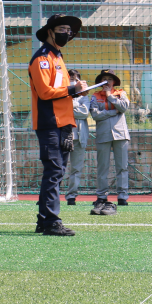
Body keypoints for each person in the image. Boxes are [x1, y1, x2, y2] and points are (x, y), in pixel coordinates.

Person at [28, 14, 84, 236]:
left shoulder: (57, 57)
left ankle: (44, 220)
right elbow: (44, 93)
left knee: (57, 172)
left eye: (69, 30)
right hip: (49, 123)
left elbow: (59, 92)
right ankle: (51, 221)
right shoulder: (42, 58)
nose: (67, 33)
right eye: (62, 29)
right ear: (50, 32)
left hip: (63, 123)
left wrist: (75, 91)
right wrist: (72, 89)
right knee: (53, 172)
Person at [89, 69, 130, 215]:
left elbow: (124, 107)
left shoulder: (121, 93)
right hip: (103, 135)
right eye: (104, 79)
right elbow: (95, 115)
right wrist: (113, 112)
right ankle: (101, 196)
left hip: (120, 134)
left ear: (114, 82)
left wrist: (110, 97)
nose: (107, 81)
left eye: (110, 79)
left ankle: (122, 196)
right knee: (102, 167)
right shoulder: (94, 96)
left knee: (122, 167)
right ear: (101, 82)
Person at [64, 68, 90, 206]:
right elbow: (60, 109)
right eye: (71, 79)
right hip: (64, 134)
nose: (73, 81)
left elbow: (84, 112)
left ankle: (71, 196)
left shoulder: (84, 96)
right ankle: (50, 194)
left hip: (79, 136)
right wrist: (74, 104)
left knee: (76, 168)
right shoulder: (62, 93)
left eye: (75, 79)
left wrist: (70, 104)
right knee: (58, 167)